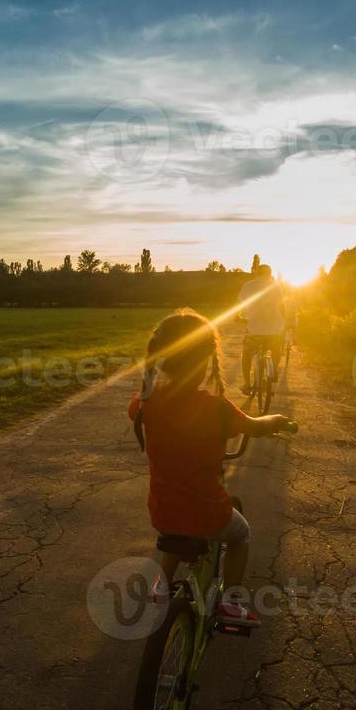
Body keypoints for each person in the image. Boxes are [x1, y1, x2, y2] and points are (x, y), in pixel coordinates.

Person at [128, 309, 296, 626]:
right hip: (206, 513)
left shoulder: (146, 403)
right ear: (206, 359)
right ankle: (230, 602)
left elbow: (136, 405)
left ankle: (161, 585)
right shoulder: (216, 409)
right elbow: (254, 426)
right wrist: (275, 421)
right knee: (240, 534)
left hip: (162, 511)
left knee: (178, 527)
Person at [237, 263, 286, 396]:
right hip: (275, 328)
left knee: (246, 353)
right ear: (270, 274)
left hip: (255, 329)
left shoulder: (248, 285)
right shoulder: (275, 286)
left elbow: (241, 303)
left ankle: (247, 384)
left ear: (257, 273)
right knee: (276, 349)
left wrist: (240, 316)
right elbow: (281, 305)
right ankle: (273, 369)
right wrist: (283, 323)